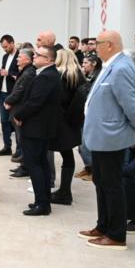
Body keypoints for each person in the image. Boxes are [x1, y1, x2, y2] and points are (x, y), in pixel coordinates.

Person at [79, 30, 135, 250]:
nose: (93, 47)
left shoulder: (121, 68)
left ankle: (117, 235)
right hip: (102, 136)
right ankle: (103, 226)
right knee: (101, 181)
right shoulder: (111, 65)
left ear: (109, 45)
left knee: (112, 185)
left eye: (97, 43)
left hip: (112, 136)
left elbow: (129, 103)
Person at [12, 45, 62, 216]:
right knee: (40, 163)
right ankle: (42, 200)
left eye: (38, 55)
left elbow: (35, 102)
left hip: (36, 127)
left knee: (35, 164)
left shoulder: (47, 76)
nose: (34, 56)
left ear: (48, 60)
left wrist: (19, 115)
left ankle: (42, 203)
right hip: (39, 126)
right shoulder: (47, 74)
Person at [49, 49, 86, 205]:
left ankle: (64, 192)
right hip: (72, 121)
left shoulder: (63, 76)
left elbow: (60, 99)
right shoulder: (78, 75)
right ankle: (65, 191)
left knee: (66, 155)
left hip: (63, 121)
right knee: (67, 155)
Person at [4, 48, 37, 178]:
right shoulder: (25, 71)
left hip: (20, 109)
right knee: (20, 139)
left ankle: (26, 167)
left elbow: (20, 91)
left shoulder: (29, 73)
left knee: (23, 140)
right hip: (17, 108)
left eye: (20, 57)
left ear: (27, 60)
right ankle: (24, 165)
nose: (17, 59)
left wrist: (8, 100)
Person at [0, 35, 19, 156]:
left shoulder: (20, 56)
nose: (4, 49)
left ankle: (19, 149)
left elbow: (23, 74)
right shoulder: (5, 56)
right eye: (3, 47)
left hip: (14, 93)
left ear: (12, 43)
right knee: (4, 121)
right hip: (3, 92)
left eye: (6, 47)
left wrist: (8, 73)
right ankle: (7, 146)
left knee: (15, 121)